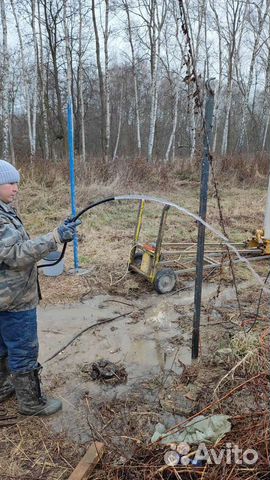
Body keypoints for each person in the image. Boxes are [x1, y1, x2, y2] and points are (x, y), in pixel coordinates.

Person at [0, 159, 80, 416]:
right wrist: (54, 238)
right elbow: (15, 254)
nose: (16, 188)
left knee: (2, 346)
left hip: (5, 297)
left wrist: (54, 235)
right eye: (10, 183)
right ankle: (31, 403)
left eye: (17, 183)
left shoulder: (5, 211)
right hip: (14, 300)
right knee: (23, 349)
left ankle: (3, 387)